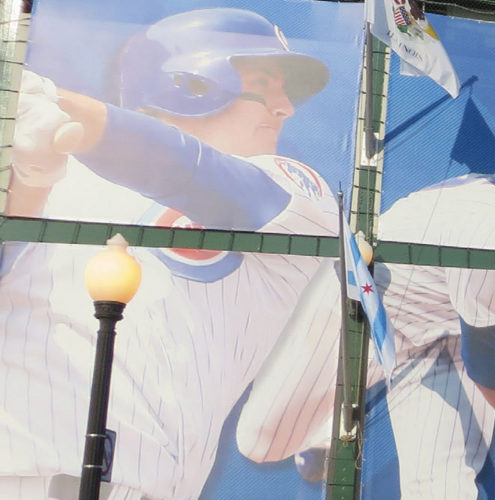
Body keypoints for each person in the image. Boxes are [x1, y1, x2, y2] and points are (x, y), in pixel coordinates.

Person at [0, 8, 339, 499]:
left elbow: (193, 172)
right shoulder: (47, 161)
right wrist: (26, 180)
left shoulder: (296, 192)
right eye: (266, 83)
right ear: (192, 82)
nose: (285, 107)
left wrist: (56, 107)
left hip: (136, 487)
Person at [235, 114, 495, 497]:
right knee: (261, 443)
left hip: (453, 337)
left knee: (444, 489)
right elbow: (491, 358)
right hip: (377, 304)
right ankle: (321, 426)